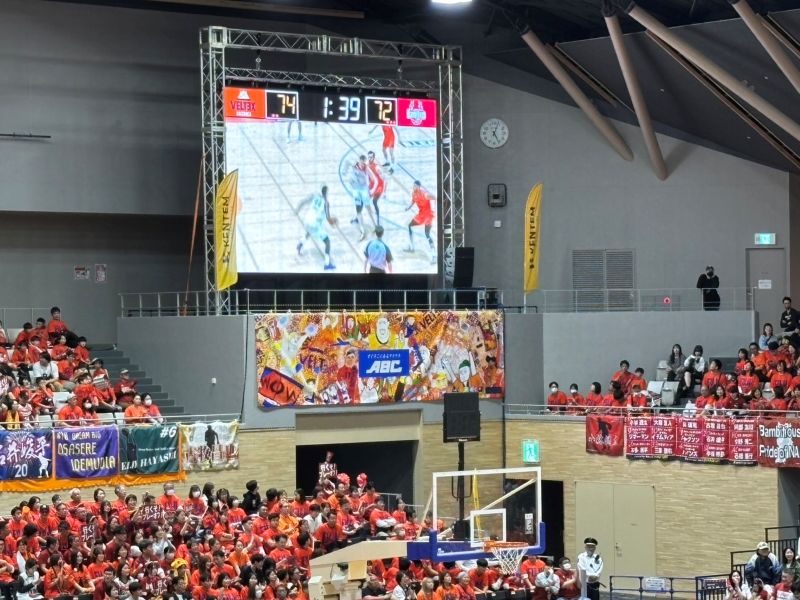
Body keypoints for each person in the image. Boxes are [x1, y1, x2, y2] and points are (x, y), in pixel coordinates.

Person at [296, 186, 336, 271]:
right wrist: (333, 222)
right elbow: (328, 218)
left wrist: (297, 210)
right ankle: (327, 264)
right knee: (327, 242)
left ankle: (300, 244)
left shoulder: (315, 196)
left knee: (309, 232)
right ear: (326, 193)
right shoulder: (326, 203)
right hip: (315, 223)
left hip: (306, 220)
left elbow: (303, 202)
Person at [405, 181, 436, 264]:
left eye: (415, 186)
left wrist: (433, 209)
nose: (414, 187)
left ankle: (434, 256)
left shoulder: (424, 194)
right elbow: (413, 201)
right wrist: (408, 207)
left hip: (428, 215)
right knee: (410, 225)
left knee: (427, 234)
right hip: (421, 215)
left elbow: (434, 197)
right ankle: (412, 247)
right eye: (413, 185)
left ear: (419, 187)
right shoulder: (414, 194)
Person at [349, 156, 374, 242]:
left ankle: (375, 225)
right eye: (362, 162)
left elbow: (373, 179)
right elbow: (351, 179)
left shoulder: (366, 169)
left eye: (364, 162)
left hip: (363, 191)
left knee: (368, 208)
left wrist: (370, 191)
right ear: (359, 161)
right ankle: (362, 231)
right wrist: (352, 183)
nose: (363, 164)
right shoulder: (354, 167)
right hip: (357, 191)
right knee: (358, 210)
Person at [366, 151, 385, 226]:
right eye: (368, 157)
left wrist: (384, 192)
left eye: (371, 157)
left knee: (374, 202)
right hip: (372, 185)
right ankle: (357, 217)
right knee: (363, 199)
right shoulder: (367, 165)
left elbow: (383, 179)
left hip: (379, 186)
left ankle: (378, 219)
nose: (369, 158)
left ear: (374, 157)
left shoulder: (377, 167)